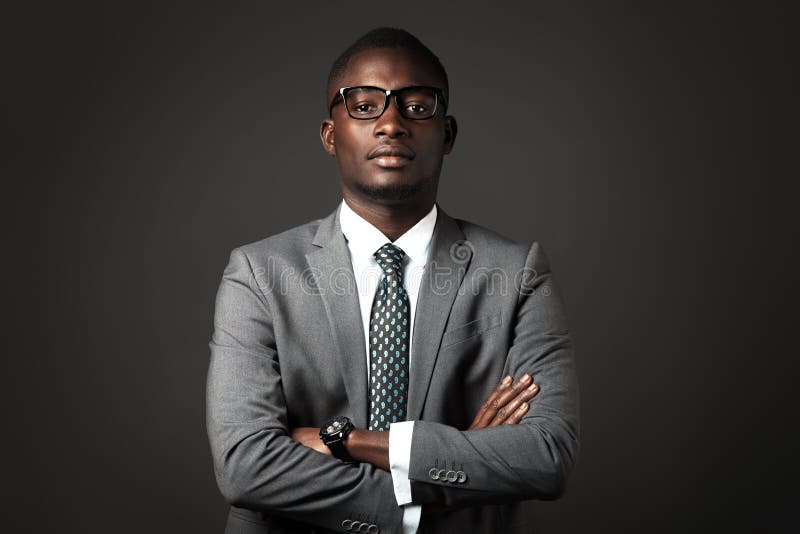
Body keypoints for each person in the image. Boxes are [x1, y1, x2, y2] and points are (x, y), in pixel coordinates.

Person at [206, 27, 580, 534]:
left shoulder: (517, 273)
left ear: (447, 133)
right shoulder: (259, 274)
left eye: (416, 105)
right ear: (330, 133)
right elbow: (246, 465)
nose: (390, 123)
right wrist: (436, 488)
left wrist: (348, 439)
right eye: (363, 105)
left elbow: (545, 455)